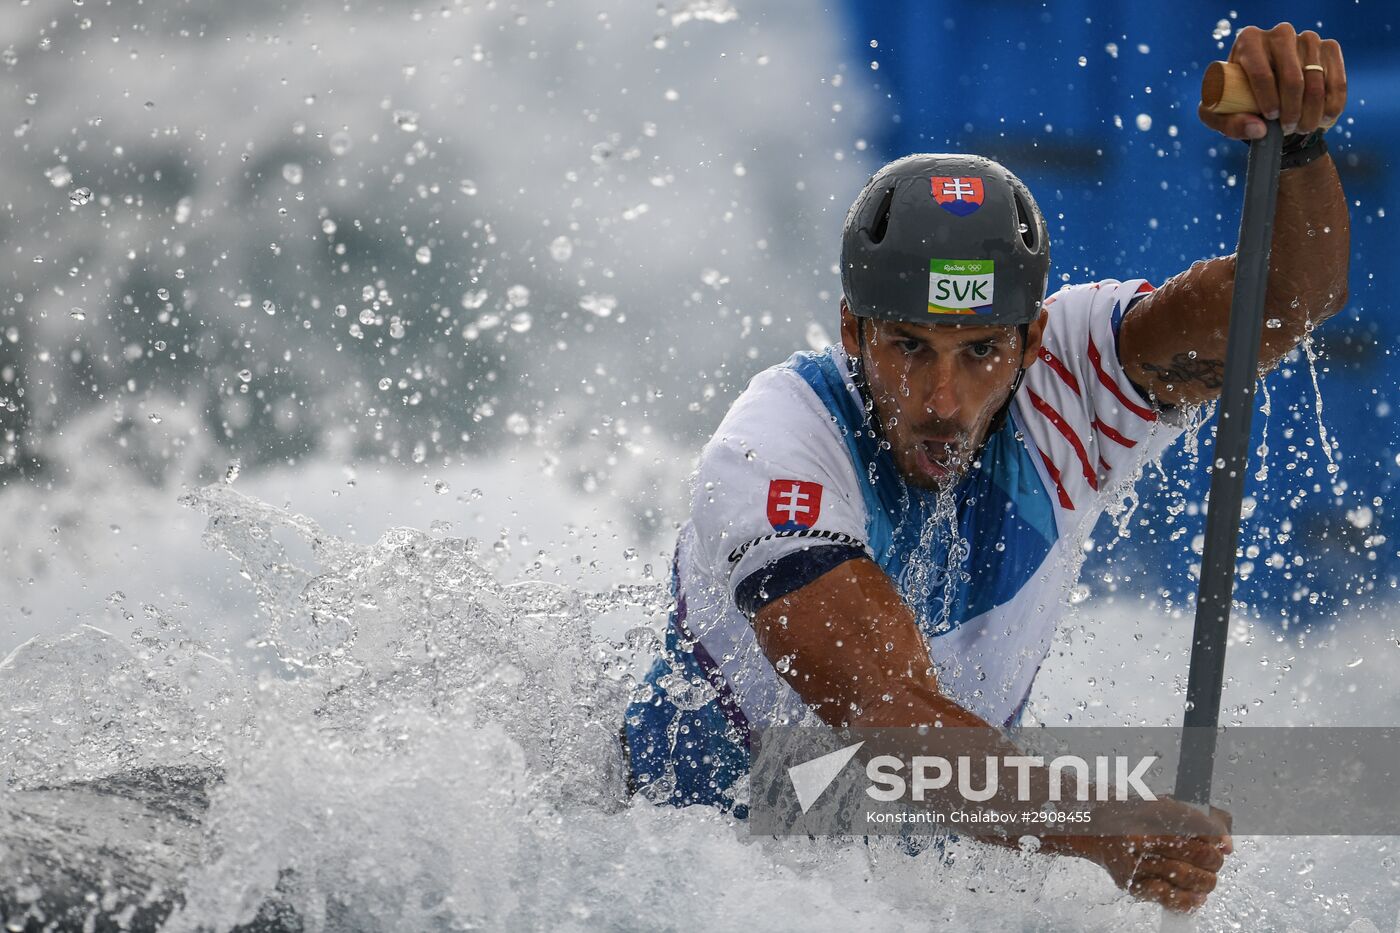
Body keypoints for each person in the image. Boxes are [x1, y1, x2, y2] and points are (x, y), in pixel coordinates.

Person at [621, 22, 1348, 913]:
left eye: (979, 352)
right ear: (852, 331)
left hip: (911, 875)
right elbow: (889, 721)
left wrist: (1301, 141)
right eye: (908, 347)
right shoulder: (772, 446)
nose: (941, 399)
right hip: (678, 864)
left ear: (1032, 339)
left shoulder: (1073, 375)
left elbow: (1282, 307)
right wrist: (1105, 825)